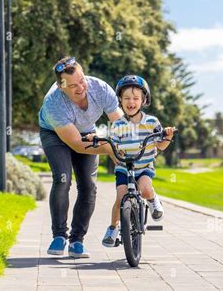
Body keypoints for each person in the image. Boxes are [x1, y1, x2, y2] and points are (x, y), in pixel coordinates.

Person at [38, 56, 122, 258]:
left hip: (86, 131)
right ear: (61, 87)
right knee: (63, 179)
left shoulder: (100, 88)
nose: (81, 87)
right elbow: (76, 144)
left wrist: (126, 145)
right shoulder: (53, 103)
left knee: (89, 186)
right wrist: (109, 149)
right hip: (55, 133)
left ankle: (77, 240)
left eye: (82, 80)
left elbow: (120, 123)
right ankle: (59, 236)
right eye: (73, 85)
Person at [88, 75, 175, 247]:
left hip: (144, 167)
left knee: (144, 189)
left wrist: (167, 136)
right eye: (126, 98)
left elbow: (161, 145)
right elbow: (111, 142)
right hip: (124, 167)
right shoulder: (118, 124)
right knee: (120, 197)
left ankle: (152, 200)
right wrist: (97, 138)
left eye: (136, 98)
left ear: (144, 100)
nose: (131, 102)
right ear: (120, 100)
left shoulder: (152, 122)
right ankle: (113, 228)